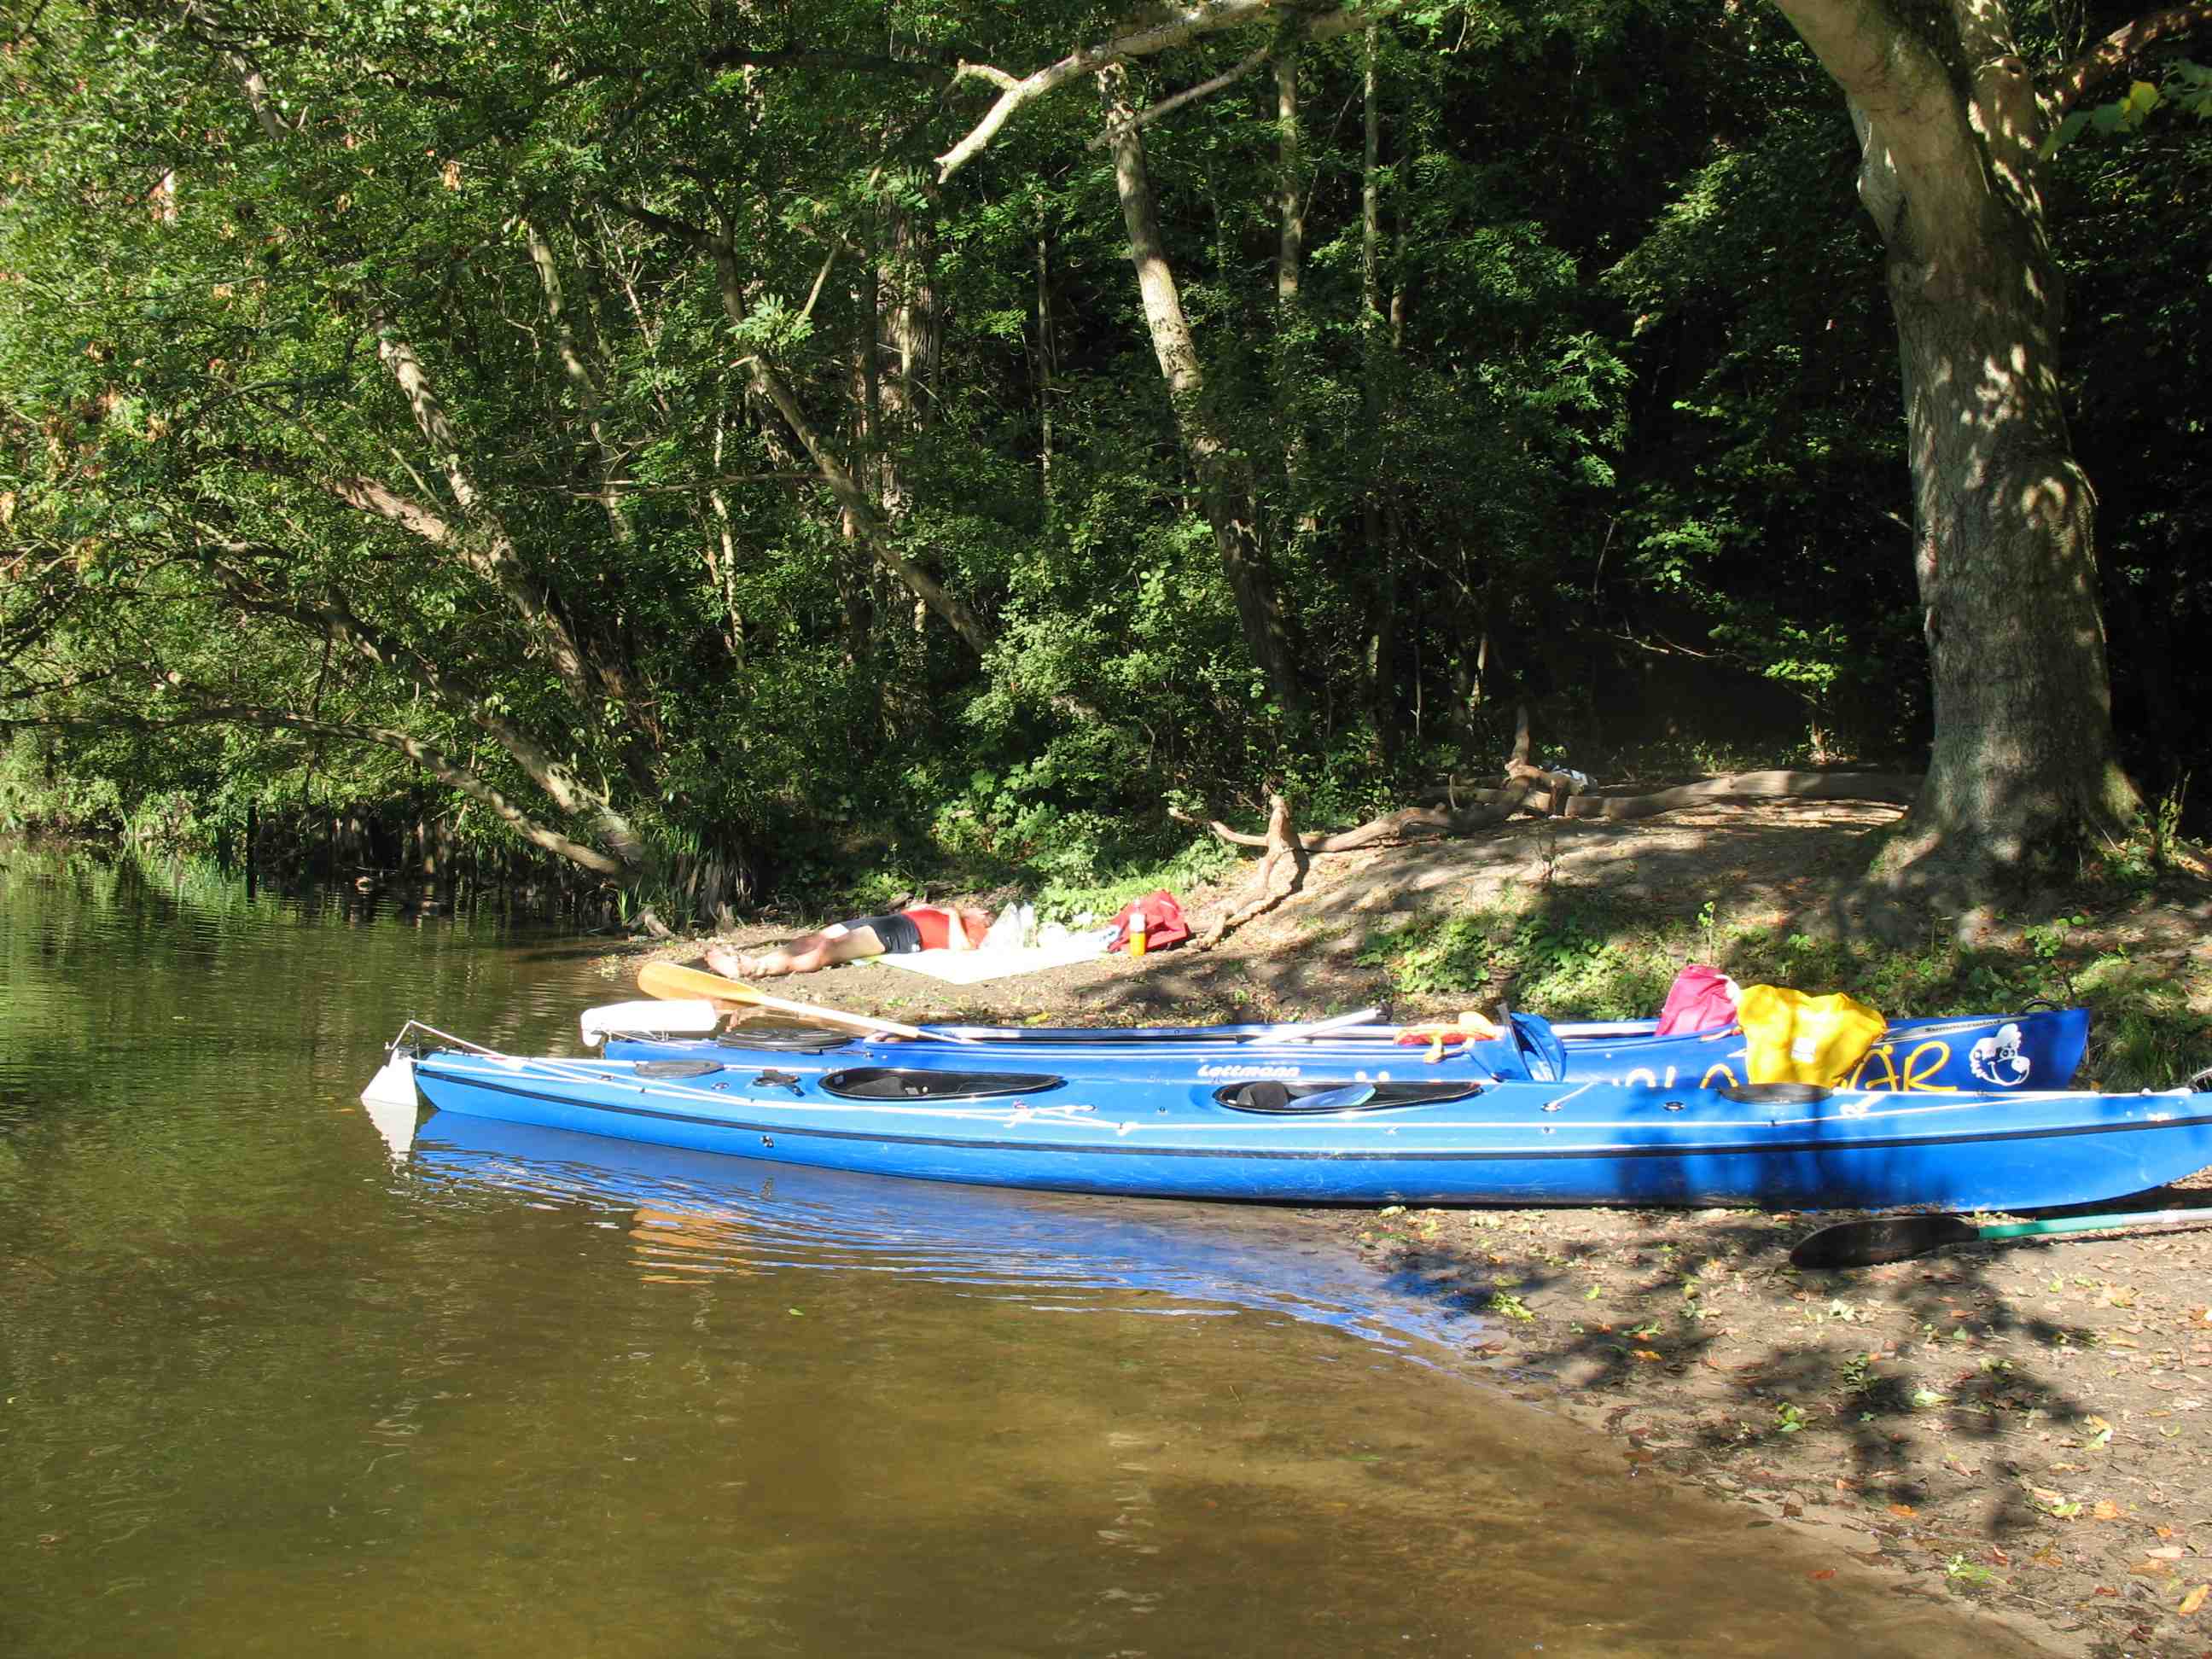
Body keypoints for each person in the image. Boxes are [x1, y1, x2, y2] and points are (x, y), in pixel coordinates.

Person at [707, 904, 992, 979]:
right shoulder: (957, 913)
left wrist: (956, 914)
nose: (986, 913)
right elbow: (913, 911)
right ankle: (753, 962)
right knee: (813, 938)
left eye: (988, 916)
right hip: (887, 921)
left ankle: (755, 971)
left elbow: (963, 950)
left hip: (901, 936)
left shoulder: (977, 932)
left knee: (828, 950)